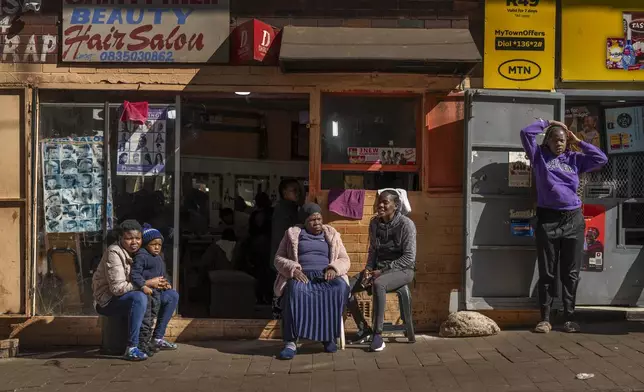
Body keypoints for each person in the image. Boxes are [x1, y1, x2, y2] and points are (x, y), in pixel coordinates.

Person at [520, 119, 607, 334]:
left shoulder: (575, 159)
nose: (560, 143)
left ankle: (569, 317)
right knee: (547, 272)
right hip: (547, 219)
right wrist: (547, 122)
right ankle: (545, 319)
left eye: (563, 140)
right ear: (547, 141)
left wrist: (578, 142)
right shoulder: (539, 156)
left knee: (571, 272)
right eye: (556, 140)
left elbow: (601, 159)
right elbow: (525, 133)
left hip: (573, 219)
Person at [273, 203, 350, 360]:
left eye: (319, 219)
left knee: (341, 288)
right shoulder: (292, 234)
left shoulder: (332, 234)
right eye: (312, 220)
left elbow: (344, 259)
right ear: (304, 222)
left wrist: (333, 269)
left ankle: (327, 336)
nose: (317, 223)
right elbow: (278, 259)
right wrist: (293, 270)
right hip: (302, 275)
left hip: (326, 275)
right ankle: (291, 342)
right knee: (294, 292)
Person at [347, 190, 417, 352]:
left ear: (396, 205)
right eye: (379, 201)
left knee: (378, 284)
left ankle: (378, 335)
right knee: (345, 287)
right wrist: (369, 268)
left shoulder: (406, 225)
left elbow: (409, 258)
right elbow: (373, 250)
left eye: (385, 202)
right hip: (377, 269)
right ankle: (364, 328)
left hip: (403, 270)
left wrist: (382, 271)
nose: (380, 205)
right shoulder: (374, 223)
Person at [92, 220, 156, 361]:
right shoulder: (114, 252)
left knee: (169, 296)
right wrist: (146, 283)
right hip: (107, 302)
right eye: (129, 238)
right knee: (140, 297)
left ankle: (154, 339)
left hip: (127, 296)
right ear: (120, 238)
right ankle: (132, 347)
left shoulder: (140, 253)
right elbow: (117, 288)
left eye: (138, 238)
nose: (134, 242)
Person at [130, 224, 179, 356]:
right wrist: (143, 285)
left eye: (159, 244)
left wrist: (166, 283)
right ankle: (142, 344)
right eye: (153, 244)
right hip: (147, 293)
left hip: (157, 293)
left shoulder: (158, 257)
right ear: (146, 244)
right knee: (147, 319)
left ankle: (156, 338)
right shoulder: (142, 256)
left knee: (172, 296)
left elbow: (163, 274)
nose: (157, 247)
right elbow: (135, 274)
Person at [270, 179, 302, 268]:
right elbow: (280, 235)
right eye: (294, 190)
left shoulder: (292, 208)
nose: (297, 193)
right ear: (284, 193)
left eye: (299, 191)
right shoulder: (282, 210)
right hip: (284, 257)